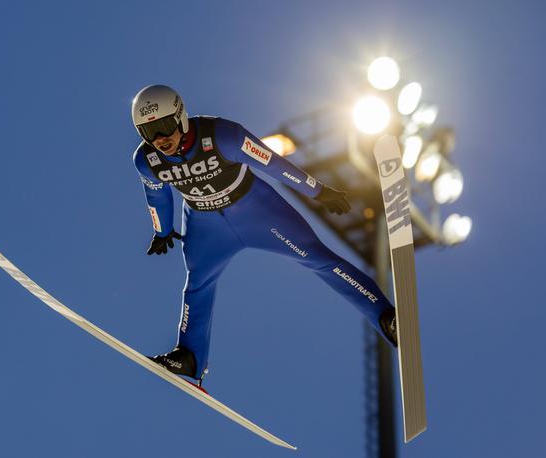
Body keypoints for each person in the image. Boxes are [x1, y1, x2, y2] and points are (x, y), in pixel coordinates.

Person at [131, 84, 397, 385]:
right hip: (206, 228)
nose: (160, 140)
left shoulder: (222, 135)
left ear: (180, 116)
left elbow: (273, 163)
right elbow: (156, 195)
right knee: (197, 285)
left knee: (317, 258)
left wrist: (318, 191)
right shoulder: (147, 161)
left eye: (165, 127)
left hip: (257, 211)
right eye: (148, 132)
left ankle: (386, 317)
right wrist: (162, 230)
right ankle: (190, 357)